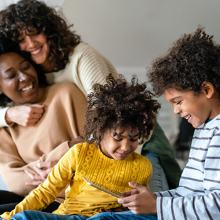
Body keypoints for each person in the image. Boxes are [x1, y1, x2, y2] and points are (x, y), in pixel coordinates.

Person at [0, 0, 182, 194]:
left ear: (49, 30)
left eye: (35, 33)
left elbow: (115, 115)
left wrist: (66, 163)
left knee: (154, 209)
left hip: (138, 143)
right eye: (20, 39)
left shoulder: (81, 58)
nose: (30, 43)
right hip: (103, 155)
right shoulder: (34, 75)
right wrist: (8, 114)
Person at [90, 27, 220, 220]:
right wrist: (150, 199)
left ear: (207, 89)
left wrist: (156, 205)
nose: (176, 111)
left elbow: (216, 206)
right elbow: (187, 194)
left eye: (178, 101)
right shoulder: (204, 128)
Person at [0, 74, 160, 220]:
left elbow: (136, 205)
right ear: (100, 130)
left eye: (133, 139)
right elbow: (45, 192)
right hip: (70, 216)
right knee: (25, 217)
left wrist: (124, 208)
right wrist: (10, 217)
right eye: (118, 138)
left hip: (106, 218)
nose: (126, 147)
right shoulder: (79, 153)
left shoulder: (143, 166)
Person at [0, 35, 87, 213]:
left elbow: (93, 145)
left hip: (72, 196)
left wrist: (32, 171)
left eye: (26, 67)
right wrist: (68, 148)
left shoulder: (65, 94)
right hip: (36, 198)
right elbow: (14, 182)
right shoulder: (6, 129)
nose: (24, 77)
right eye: (11, 75)